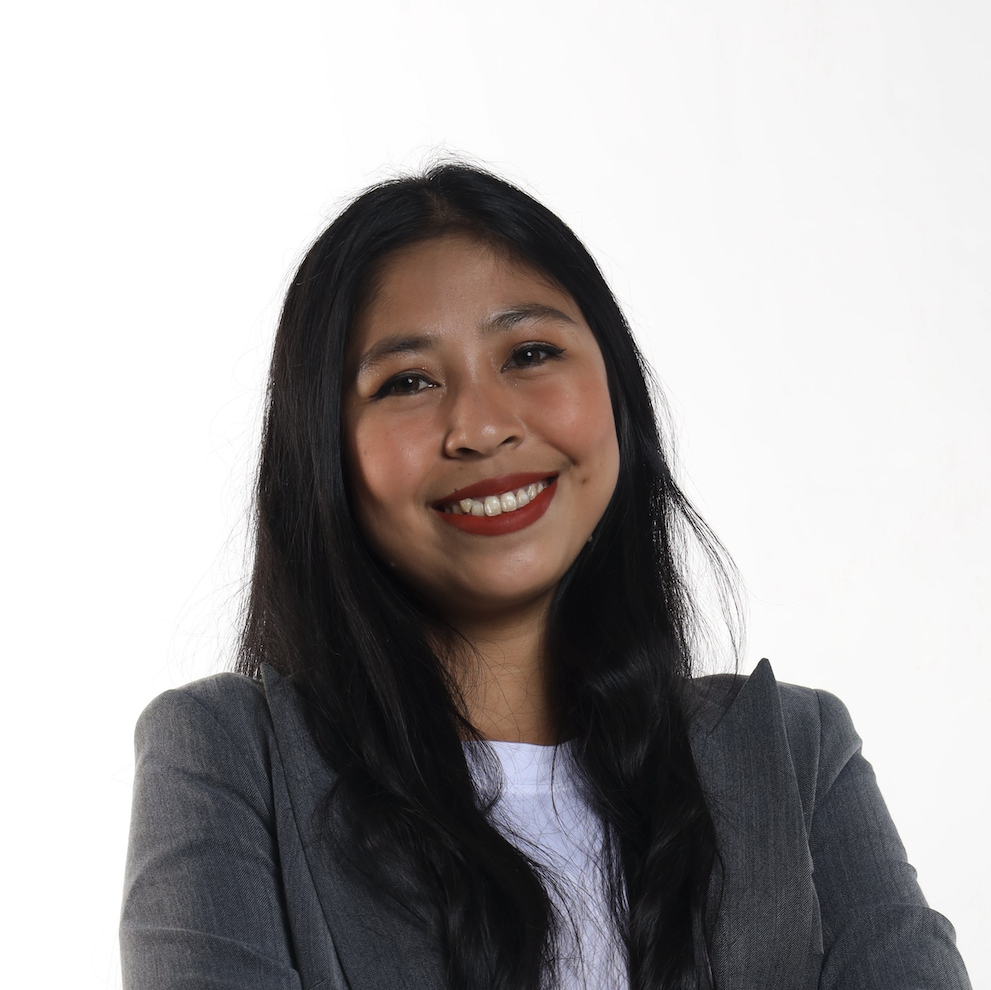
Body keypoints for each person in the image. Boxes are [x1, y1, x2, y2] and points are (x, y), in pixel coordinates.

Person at [120, 163, 971, 990]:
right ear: (323, 456)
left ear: (617, 398)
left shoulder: (794, 755)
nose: (482, 427)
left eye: (528, 353)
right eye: (407, 381)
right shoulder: (228, 759)